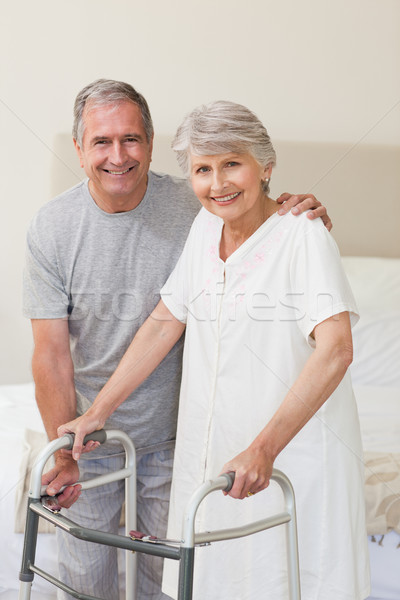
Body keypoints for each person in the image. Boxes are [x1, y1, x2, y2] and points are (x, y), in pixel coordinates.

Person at [23, 79, 332, 600]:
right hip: (91, 442)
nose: (118, 156)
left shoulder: (198, 207)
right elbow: (51, 356)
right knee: (83, 586)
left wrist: (298, 212)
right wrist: (66, 452)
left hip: (180, 440)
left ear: (149, 140)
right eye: (101, 142)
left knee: (166, 587)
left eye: (131, 139)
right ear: (79, 149)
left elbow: (256, 216)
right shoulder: (52, 228)